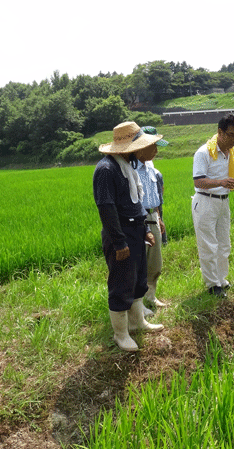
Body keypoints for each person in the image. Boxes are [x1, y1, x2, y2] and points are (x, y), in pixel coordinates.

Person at [93, 121, 165, 352]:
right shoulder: (106, 170)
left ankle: (138, 323)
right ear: (131, 148)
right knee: (121, 283)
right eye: (143, 145)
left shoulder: (128, 166)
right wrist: (119, 242)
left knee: (137, 279)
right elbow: (106, 208)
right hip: (120, 234)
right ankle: (120, 334)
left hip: (135, 231)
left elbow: (136, 204)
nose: (147, 150)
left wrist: (145, 230)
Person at [192, 113, 234, 297]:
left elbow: (232, 181)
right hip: (205, 202)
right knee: (208, 245)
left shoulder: (233, 153)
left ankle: (221, 279)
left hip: (223, 203)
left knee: (224, 244)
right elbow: (198, 181)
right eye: (232, 134)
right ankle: (212, 285)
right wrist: (222, 182)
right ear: (220, 132)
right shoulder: (204, 152)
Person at [134, 126, 169, 310]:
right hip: (138, 219)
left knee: (155, 263)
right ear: (141, 146)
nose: (156, 151)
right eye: (153, 146)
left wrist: (159, 217)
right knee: (140, 263)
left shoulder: (150, 166)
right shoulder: (131, 168)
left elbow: (154, 194)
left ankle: (151, 296)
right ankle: (138, 304)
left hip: (152, 216)